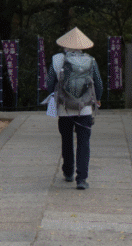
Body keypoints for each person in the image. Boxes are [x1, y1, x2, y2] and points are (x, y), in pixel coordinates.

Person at [44, 27, 103, 190]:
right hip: (84, 108)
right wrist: (97, 100)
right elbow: (98, 84)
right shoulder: (91, 60)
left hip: (64, 108)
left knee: (67, 139)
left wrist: (54, 97)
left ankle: (68, 172)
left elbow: (49, 83)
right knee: (84, 142)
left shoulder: (57, 59)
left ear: (65, 45)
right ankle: (82, 179)